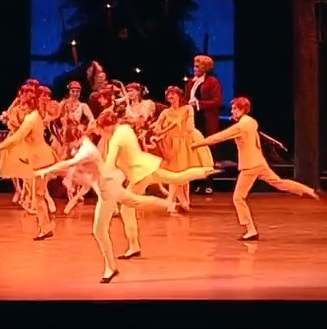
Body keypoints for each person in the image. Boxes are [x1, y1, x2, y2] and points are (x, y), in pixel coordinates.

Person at [36, 111, 197, 283]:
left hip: (107, 189)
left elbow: (70, 163)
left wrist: (46, 170)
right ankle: (168, 205)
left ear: (75, 140)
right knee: (135, 201)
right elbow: (77, 157)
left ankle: (110, 268)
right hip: (109, 185)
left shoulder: (88, 150)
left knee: (99, 230)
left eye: (69, 143)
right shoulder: (85, 144)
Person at [191, 97, 323, 241]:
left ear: (242, 109)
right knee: (280, 182)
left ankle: (251, 230)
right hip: (259, 162)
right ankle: (311, 191)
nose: (232, 111)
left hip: (250, 166)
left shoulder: (240, 126)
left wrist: (196, 144)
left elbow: (219, 137)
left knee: (238, 198)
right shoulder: (251, 122)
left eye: (235, 108)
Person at [104, 110, 217, 259]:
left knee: (127, 207)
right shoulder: (125, 130)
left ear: (108, 126)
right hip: (147, 167)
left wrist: (104, 177)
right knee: (175, 177)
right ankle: (206, 171)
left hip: (140, 174)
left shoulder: (117, 137)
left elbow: (110, 162)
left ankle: (134, 245)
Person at [0, 97, 61, 240]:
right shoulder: (36, 116)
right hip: (39, 157)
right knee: (38, 195)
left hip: (40, 159)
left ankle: (45, 227)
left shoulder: (31, 118)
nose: (21, 108)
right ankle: (45, 227)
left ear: (30, 105)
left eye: (23, 105)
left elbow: (17, 137)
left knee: (39, 195)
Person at [150, 86, 214, 211]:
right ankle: (178, 201)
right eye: (169, 94)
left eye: (173, 94)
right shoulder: (166, 112)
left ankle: (184, 201)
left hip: (185, 141)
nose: (171, 96)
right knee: (174, 172)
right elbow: (158, 125)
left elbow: (189, 127)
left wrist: (185, 123)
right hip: (171, 143)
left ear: (179, 96)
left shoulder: (187, 109)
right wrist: (156, 129)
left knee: (183, 172)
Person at [185, 55, 223, 134]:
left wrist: (198, 104)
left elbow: (217, 102)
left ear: (204, 68)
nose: (194, 68)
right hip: (191, 118)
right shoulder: (191, 82)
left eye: (197, 66)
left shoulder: (213, 82)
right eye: (194, 66)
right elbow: (186, 99)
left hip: (206, 119)